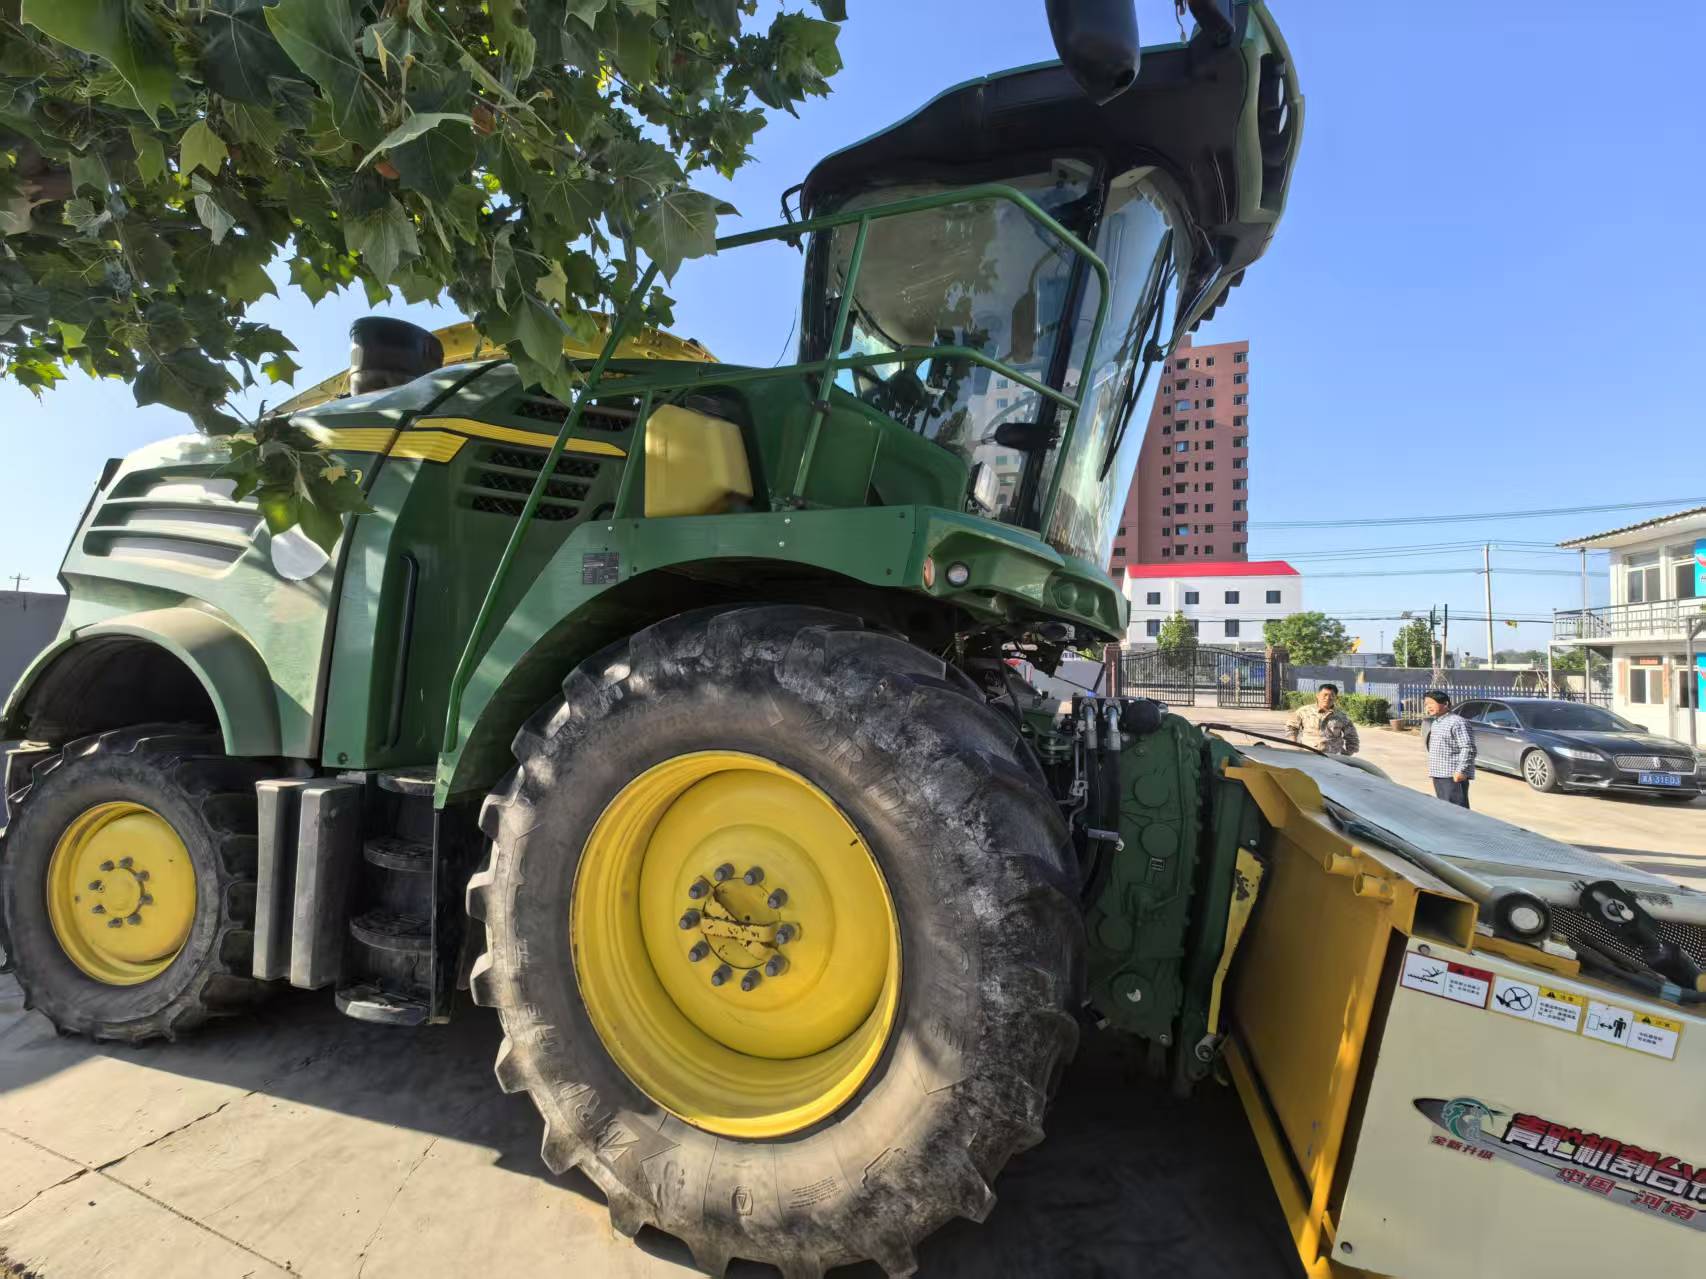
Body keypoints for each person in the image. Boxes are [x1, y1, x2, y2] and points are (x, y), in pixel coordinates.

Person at [1424, 689, 1475, 808]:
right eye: (1426, 704)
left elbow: (1468, 748)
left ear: (1445, 704)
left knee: (1457, 811)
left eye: (1431, 703)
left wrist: (1461, 771)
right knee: (1444, 809)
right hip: (1438, 774)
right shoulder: (1436, 722)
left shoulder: (1457, 722)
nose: (1428, 707)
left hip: (1452, 776)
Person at [1284, 683, 1360, 756]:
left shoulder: (1341, 716)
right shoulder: (1304, 711)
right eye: (1325, 695)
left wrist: (1347, 753)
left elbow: (1352, 736)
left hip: (1333, 756)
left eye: (1332, 695)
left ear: (1336, 698)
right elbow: (1291, 727)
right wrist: (1294, 745)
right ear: (1317, 695)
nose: (1327, 698)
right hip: (1308, 753)